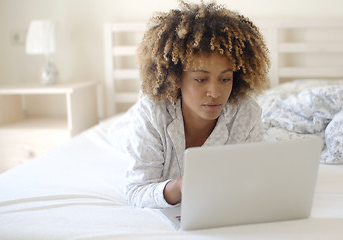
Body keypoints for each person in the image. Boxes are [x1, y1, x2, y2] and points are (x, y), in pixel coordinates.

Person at [108, 0, 270, 208]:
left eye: (225, 79)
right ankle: (142, 61)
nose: (215, 93)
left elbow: (251, 181)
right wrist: (178, 187)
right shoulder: (150, 113)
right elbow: (136, 190)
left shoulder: (247, 113)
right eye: (201, 79)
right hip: (136, 122)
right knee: (121, 131)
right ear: (176, 78)